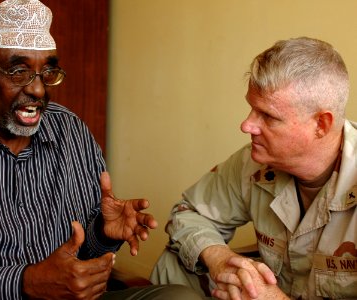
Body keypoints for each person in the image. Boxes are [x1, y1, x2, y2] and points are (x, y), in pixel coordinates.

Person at [0, 1, 202, 299]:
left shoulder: (69, 130)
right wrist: (27, 282)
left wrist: (101, 232)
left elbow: (81, 257)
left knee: (179, 297)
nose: (38, 90)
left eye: (47, 71)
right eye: (18, 71)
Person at [150, 37, 357, 300]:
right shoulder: (254, 161)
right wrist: (221, 259)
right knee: (177, 262)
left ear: (321, 124)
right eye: (251, 109)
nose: (247, 125)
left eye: (268, 116)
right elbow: (188, 213)